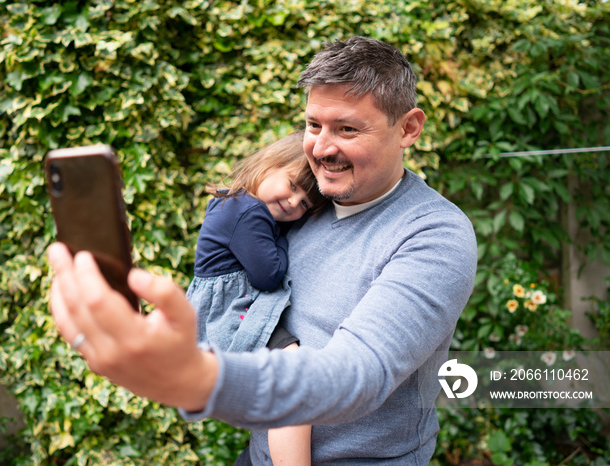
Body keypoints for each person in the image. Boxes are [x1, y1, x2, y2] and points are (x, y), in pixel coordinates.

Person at [47, 36, 478, 464]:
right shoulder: (302, 210)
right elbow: (246, 310)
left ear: (408, 128)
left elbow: (357, 377)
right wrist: (153, 340)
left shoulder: (434, 234)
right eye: (313, 125)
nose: (322, 148)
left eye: (347, 129)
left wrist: (196, 379)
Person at [187, 130, 325, 465]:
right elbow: (268, 274)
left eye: (304, 204)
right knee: (290, 370)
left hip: (222, 306)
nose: (293, 202)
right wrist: (283, 241)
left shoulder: (235, 202)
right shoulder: (249, 213)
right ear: (268, 163)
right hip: (228, 311)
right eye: (292, 185)